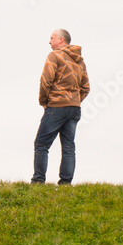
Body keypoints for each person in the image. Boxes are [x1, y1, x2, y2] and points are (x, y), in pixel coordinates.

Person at [32, 29, 90, 185]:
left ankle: (38, 180)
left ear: (61, 40)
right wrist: (75, 100)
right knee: (69, 146)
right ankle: (65, 183)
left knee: (41, 144)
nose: (49, 42)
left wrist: (45, 102)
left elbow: (45, 81)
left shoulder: (54, 56)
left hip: (56, 106)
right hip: (74, 109)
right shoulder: (79, 60)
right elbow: (86, 87)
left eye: (51, 38)